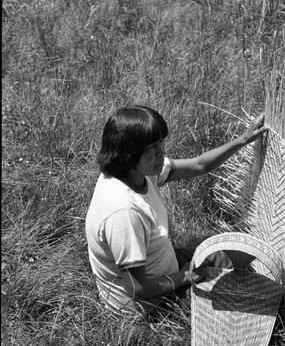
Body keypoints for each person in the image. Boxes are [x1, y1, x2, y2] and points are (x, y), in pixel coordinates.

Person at [85, 105, 266, 315]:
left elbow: (199, 165)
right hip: (151, 305)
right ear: (129, 154)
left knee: (230, 251)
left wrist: (243, 139)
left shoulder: (136, 172)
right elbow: (137, 288)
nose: (162, 152)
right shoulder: (125, 212)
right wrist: (184, 277)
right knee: (242, 303)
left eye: (161, 143)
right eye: (152, 148)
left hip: (165, 269)